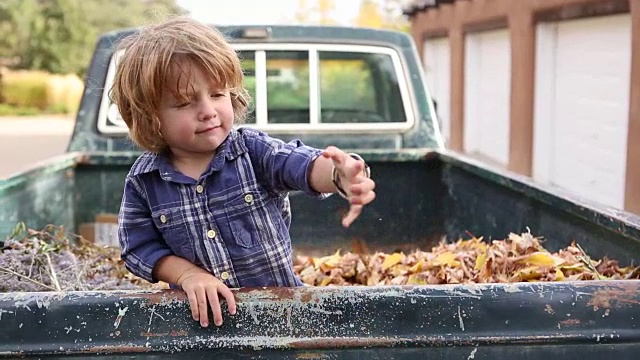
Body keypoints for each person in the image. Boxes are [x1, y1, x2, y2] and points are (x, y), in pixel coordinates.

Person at [111, 16, 376, 329]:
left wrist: (338, 174)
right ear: (149, 117)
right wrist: (187, 275)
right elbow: (138, 248)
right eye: (184, 102)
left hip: (282, 318)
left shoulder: (252, 150)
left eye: (218, 94)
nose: (208, 110)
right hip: (201, 327)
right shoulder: (145, 181)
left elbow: (296, 164)